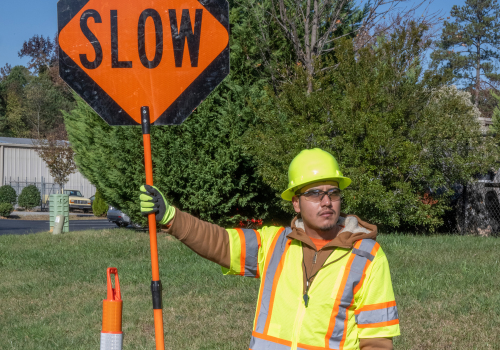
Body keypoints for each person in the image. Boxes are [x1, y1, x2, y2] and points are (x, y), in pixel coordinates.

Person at [139, 148, 400, 350]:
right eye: (314, 193)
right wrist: (171, 217)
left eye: (332, 192)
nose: (326, 201)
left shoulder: (367, 256)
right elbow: (219, 242)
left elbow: (376, 341)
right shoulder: (274, 244)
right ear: (296, 203)